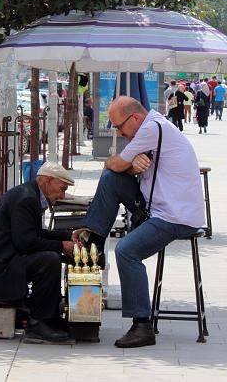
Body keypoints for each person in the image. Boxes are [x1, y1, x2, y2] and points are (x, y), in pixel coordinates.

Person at [78, 96, 207, 348]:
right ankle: (94, 241)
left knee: (126, 251)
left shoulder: (149, 129)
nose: (119, 132)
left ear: (135, 118)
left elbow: (113, 162)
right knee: (110, 180)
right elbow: (121, 169)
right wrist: (131, 165)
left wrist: (121, 162)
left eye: (119, 126)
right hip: (154, 205)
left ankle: (142, 326)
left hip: (175, 216)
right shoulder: (152, 126)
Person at [0, 161, 84, 344]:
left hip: (2, 259)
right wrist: (61, 246)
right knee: (49, 260)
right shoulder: (26, 199)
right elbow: (26, 243)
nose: (62, 195)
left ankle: (50, 317)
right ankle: (37, 324)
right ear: (46, 181)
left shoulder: (29, 194)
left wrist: (67, 236)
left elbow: (33, 233)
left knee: (50, 256)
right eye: (61, 189)